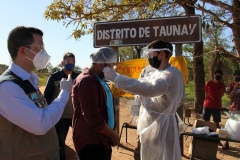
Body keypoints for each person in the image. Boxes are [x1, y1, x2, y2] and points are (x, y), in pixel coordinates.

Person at [103, 40, 185, 160]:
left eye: (151, 54)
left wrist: (116, 78)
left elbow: (150, 88)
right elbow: (142, 85)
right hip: (152, 123)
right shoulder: (156, 73)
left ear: (161, 54)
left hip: (163, 126)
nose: (149, 57)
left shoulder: (171, 74)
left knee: (162, 156)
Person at [0, 26, 73, 159]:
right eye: (39, 48)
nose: (44, 53)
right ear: (23, 51)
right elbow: (41, 124)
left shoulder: (29, 80)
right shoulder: (7, 86)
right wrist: (64, 92)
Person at [72, 47, 120, 160]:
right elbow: (93, 117)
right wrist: (113, 135)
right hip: (92, 142)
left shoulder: (98, 79)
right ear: (100, 64)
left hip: (102, 139)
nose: (113, 69)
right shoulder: (87, 81)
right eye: (111, 65)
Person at [44, 52, 79, 160]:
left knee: (81, 140)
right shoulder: (54, 77)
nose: (71, 64)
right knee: (60, 144)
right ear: (62, 63)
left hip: (75, 116)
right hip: (60, 117)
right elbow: (47, 96)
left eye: (73, 62)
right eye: (68, 62)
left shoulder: (78, 77)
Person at [223, 69, 240, 149]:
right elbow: (229, 96)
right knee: (230, 125)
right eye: (235, 75)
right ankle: (226, 142)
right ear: (233, 76)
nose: (237, 77)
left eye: (238, 75)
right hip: (233, 108)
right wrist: (235, 87)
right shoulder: (231, 85)